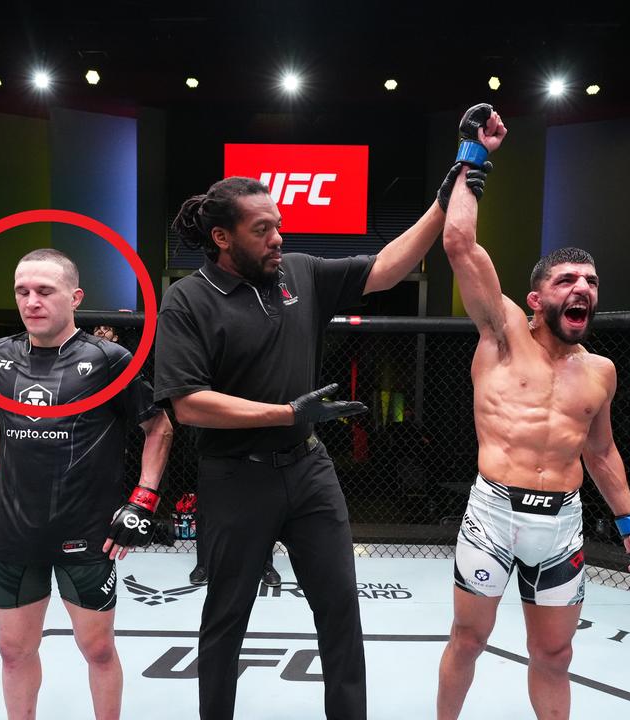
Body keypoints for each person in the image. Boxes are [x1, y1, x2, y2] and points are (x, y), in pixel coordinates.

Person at [152, 102, 487, 717]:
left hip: (308, 471)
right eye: (262, 230)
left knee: (340, 611)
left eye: (278, 224)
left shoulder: (298, 272)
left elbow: (386, 269)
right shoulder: (188, 300)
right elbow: (187, 404)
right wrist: (285, 413)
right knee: (225, 616)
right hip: (234, 476)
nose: (278, 237)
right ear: (222, 238)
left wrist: (452, 187)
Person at [433, 108, 630, 720]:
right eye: (566, 279)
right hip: (491, 514)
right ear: (537, 299)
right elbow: (458, 243)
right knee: (470, 640)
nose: (582, 287)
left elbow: (603, 452)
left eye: (589, 280)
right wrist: (473, 155)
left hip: (561, 523)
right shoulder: (503, 333)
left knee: (554, 653)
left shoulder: (600, 372)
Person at [0, 248, 173, 720]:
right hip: (13, 530)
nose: (32, 301)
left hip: (86, 529)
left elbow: (158, 427)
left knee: (97, 650)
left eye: (45, 291)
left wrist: (142, 500)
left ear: (75, 296)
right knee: (13, 651)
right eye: (22, 292)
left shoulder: (109, 359)